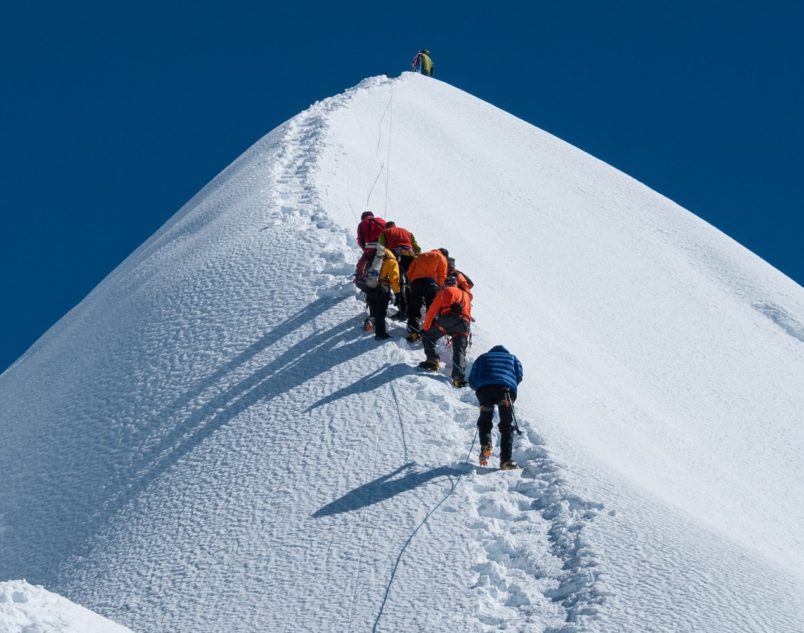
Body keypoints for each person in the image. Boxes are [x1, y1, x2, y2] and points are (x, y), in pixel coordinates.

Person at [468, 345, 524, 469]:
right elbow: (519, 375)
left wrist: (479, 387)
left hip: (485, 391)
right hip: (506, 391)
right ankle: (506, 460)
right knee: (506, 424)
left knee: (485, 419)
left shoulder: (482, 358)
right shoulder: (513, 358)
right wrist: (510, 383)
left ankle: (486, 444)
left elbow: (472, 378)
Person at [417, 275, 472, 387]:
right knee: (459, 350)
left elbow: (432, 310)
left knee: (428, 336)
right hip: (464, 324)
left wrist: (425, 328)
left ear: (446, 284)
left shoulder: (445, 291)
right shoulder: (466, 295)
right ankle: (458, 378)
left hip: (448, 319)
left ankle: (432, 362)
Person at [378, 221, 421, 319]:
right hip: (411, 257)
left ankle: (403, 310)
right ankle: (414, 309)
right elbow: (417, 248)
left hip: (397, 257)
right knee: (411, 283)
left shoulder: (384, 233)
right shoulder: (407, 232)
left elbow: (381, 249)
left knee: (399, 282)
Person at [405, 247, 449, 341]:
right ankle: (430, 331)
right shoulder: (441, 257)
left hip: (416, 283)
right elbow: (442, 274)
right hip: (430, 283)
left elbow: (410, 270)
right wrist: (441, 287)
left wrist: (411, 282)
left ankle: (413, 330)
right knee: (431, 308)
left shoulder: (421, 256)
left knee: (415, 306)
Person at [363, 247, 401, 340]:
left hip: (370, 287)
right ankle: (380, 334)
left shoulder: (377, 258)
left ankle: (370, 323)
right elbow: (394, 279)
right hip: (382, 289)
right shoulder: (392, 261)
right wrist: (397, 293)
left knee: (374, 310)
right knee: (381, 313)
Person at [355, 211, 386, 278]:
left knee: (362, 262)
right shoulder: (381, 220)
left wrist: (366, 250)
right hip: (386, 245)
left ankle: (359, 276)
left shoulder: (362, 223)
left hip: (372, 245)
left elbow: (360, 241)